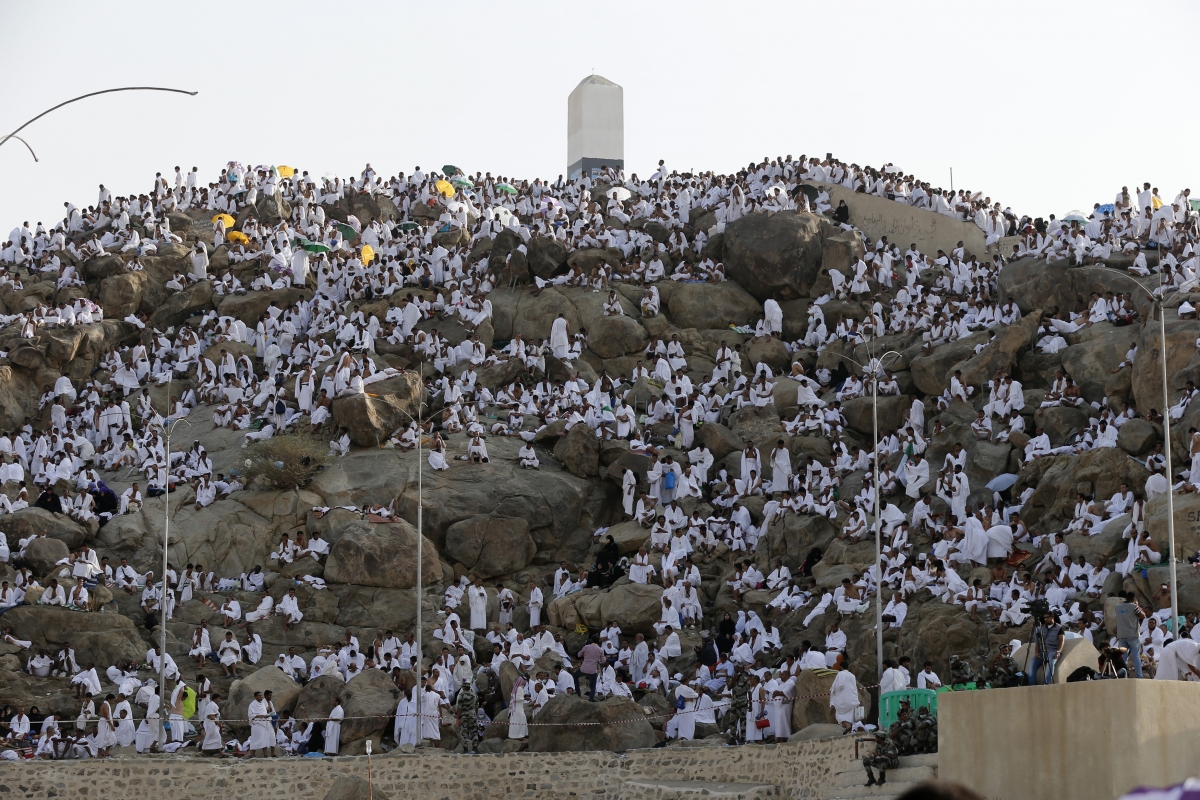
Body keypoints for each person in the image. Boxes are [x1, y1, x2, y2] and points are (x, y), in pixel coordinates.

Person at [1028, 612, 1065, 685]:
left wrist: (1058, 652)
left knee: (1050, 661)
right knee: (1032, 663)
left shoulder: (1059, 628)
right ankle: (1031, 684)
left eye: (1047, 617)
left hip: (1052, 651)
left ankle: (1046, 683)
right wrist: (1037, 652)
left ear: (1052, 617)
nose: (1046, 619)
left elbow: (1062, 641)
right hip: (1042, 652)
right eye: (1045, 617)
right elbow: (1037, 643)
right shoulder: (1040, 629)